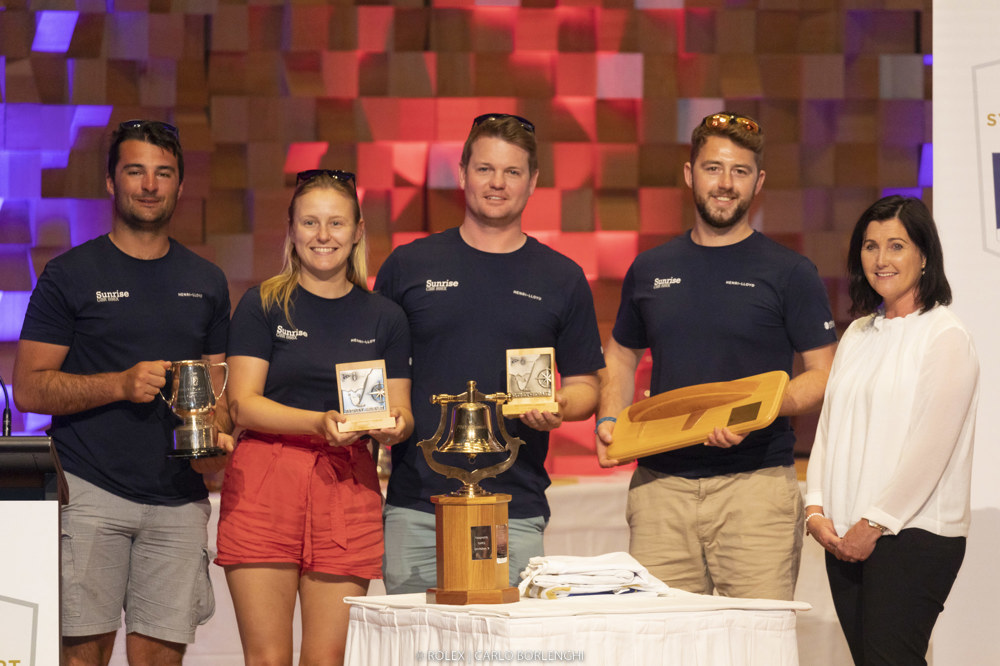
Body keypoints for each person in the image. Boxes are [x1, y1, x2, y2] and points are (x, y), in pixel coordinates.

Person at [13, 120, 232, 665]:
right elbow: (29, 389)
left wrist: (218, 438)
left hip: (179, 503)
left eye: (163, 173)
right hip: (89, 495)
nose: (150, 185)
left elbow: (217, 388)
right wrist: (119, 384)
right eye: (136, 171)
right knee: (81, 657)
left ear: (181, 186)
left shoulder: (206, 280)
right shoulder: (70, 274)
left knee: (160, 660)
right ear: (111, 182)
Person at [595, 112, 838, 601]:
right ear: (689, 174)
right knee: (662, 647)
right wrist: (610, 419)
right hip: (659, 491)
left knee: (755, 646)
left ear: (758, 181)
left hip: (756, 491)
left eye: (740, 171)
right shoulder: (650, 269)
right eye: (712, 168)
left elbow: (825, 374)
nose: (725, 184)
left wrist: (754, 412)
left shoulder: (790, 272)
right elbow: (621, 354)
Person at [375, 113, 605, 594]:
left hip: (513, 508)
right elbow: (376, 374)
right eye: (485, 169)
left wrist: (560, 407)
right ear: (462, 174)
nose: (497, 183)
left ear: (533, 181)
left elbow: (586, 384)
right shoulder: (408, 266)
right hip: (416, 508)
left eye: (512, 172)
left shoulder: (561, 277)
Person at [216, 169, 413, 665]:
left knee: (328, 660)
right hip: (265, 483)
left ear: (358, 231)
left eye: (336, 223)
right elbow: (242, 403)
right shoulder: (263, 304)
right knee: (267, 658)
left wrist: (395, 427)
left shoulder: (384, 316)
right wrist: (316, 422)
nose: (323, 236)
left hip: (347, 489)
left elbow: (402, 412)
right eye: (310, 222)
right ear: (291, 229)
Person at [804, 195, 978, 665]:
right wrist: (815, 507)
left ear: (924, 256)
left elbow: (932, 448)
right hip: (843, 534)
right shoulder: (858, 334)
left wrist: (875, 522)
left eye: (896, 246)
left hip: (914, 536)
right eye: (870, 245)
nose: (881, 260)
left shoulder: (944, 336)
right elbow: (830, 428)